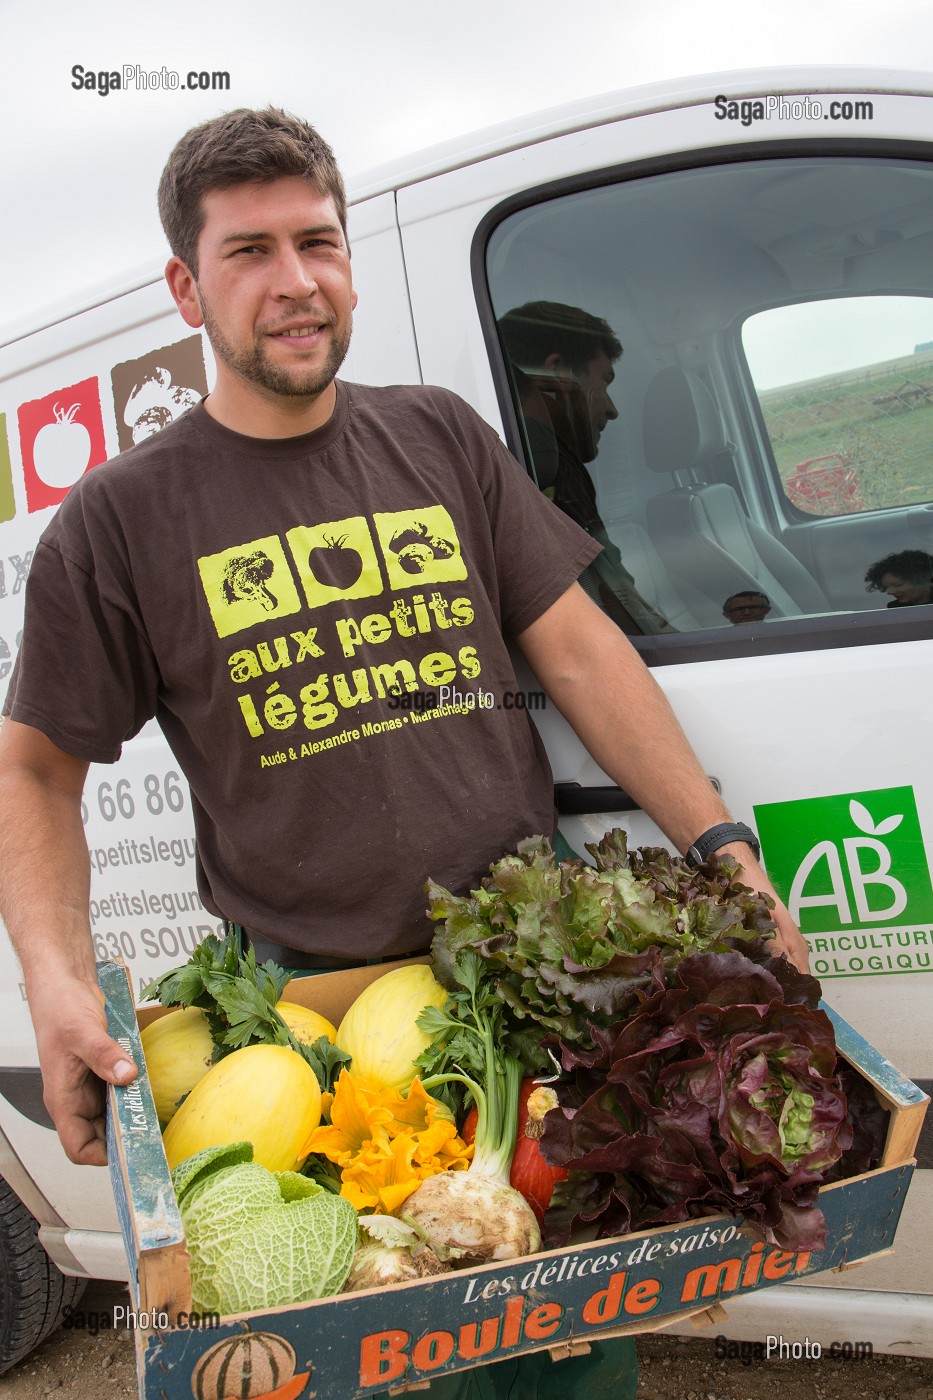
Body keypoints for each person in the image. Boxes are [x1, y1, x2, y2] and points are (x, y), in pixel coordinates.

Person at [0, 110, 808, 1364]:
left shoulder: (435, 435)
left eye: (316, 241)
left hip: (522, 995)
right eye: (249, 251)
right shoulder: (120, 520)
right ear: (185, 285)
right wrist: (54, 987)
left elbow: (584, 649)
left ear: (350, 257)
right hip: (314, 1027)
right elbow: (36, 767)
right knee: (384, 1352)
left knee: (566, 1342)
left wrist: (721, 845)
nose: (294, 282)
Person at [497, 301, 676, 635]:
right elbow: (621, 609)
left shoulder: (526, 458)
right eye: (604, 382)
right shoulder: (547, 464)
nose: (612, 409)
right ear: (559, 371)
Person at [864, 549, 933, 607]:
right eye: (886, 587)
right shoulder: (895, 609)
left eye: (897, 585)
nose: (890, 592)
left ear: (923, 579)